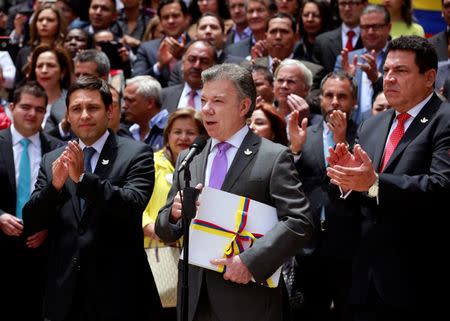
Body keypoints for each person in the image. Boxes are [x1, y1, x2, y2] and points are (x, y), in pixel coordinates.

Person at [155, 63, 313, 321]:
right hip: (193, 300)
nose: (206, 109)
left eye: (218, 101)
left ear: (243, 107)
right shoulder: (190, 156)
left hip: (247, 299)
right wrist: (172, 215)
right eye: (204, 100)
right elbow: (164, 228)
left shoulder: (272, 156)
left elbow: (300, 222)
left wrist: (251, 262)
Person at [326, 35, 450, 320]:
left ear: (429, 77)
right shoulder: (372, 125)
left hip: (421, 281)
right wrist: (344, 180)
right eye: (387, 70)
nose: (389, 79)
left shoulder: (444, 120)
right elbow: (351, 201)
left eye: (401, 71)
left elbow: (442, 187)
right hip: (365, 280)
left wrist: (373, 183)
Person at [22, 76, 162, 321]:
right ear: (68, 115)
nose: (84, 115)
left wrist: (84, 180)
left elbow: (132, 206)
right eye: (77, 109)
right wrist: (54, 187)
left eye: (93, 107)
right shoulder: (52, 158)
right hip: (64, 294)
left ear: (109, 111)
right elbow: (33, 220)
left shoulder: (136, 153)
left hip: (119, 293)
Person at [289, 71, 360, 321]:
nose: (335, 102)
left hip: (350, 249)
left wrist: (343, 143)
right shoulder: (303, 133)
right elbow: (288, 184)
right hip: (308, 249)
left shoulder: (365, 135)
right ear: (320, 99)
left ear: (354, 102)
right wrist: (295, 151)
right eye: (329, 95)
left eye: (342, 96)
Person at [0, 82, 63, 321]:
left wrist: (49, 228)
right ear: (11, 107)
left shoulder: (58, 148)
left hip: (41, 249)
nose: (32, 114)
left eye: (39, 109)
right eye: (25, 107)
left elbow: (65, 200)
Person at [142, 108, 206, 321]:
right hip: (154, 251)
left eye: (190, 132)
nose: (183, 138)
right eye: (177, 132)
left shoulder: (205, 166)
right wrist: (153, 229)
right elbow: (135, 205)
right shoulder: (149, 162)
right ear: (167, 136)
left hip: (194, 257)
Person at [334, 4, 391, 125]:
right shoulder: (346, 59)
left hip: (388, 125)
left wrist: (377, 79)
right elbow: (334, 98)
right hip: (352, 130)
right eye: (365, 27)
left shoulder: (398, 58)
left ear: (389, 27)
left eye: (375, 27)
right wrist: (347, 81)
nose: (370, 32)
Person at [28, 45, 73, 134]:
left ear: (62, 72)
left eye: (50, 65)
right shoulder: (25, 100)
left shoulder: (72, 101)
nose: (44, 70)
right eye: (40, 66)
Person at [161, 40, 217, 113]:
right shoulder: (163, 96)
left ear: (213, 67)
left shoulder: (221, 100)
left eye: (204, 61)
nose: (196, 66)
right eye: (192, 59)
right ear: (182, 64)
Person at [123, 75, 168, 151]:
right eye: (125, 100)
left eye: (130, 100)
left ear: (150, 103)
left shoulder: (170, 129)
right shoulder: (127, 132)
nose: (124, 106)